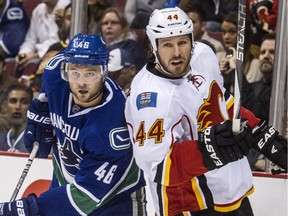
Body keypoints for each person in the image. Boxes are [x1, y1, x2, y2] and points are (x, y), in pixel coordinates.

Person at [125, 7, 287, 216]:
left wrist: (260, 132)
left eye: (183, 42)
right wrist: (210, 150)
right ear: (153, 46)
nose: (176, 53)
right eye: (167, 45)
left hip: (230, 191)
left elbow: (221, 102)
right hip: (189, 204)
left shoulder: (203, 55)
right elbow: (160, 167)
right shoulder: (148, 99)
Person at [0, 34, 146, 215]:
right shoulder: (55, 73)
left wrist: (27, 209)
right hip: (66, 179)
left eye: (90, 73)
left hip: (115, 199)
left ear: (104, 72)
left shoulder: (113, 127)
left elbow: (84, 196)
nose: (82, 82)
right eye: (75, 73)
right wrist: (40, 115)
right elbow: (45, 95)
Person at [15, 0, 70, 76]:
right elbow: (30, 39)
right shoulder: (38, 10)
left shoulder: (66, 7)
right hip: (37, 56)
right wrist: (24, 54)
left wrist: (37, 55)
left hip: (58, 54)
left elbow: (56, 41)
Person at [100, 7, 146, 71]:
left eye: (114, 23)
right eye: (105, 23)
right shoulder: (98, 46)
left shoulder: (133, 47)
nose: (109, 26)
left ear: (123, 26)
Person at [0, 83, 32, 152]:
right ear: (5, 106)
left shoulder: (36, 140)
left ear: (31, 107)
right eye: (13, 101)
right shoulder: (1, 139)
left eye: (24, 102)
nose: (18, 107)